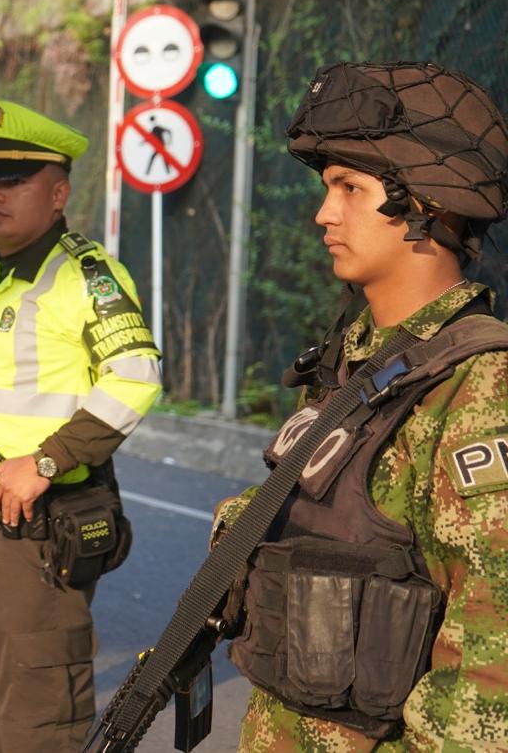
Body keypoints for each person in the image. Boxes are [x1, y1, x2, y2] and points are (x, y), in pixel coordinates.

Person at [213, 61, 508, 751]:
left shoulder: (478, 391)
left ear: (426, 202)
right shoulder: (358, 358)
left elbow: (488, 686)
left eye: (350, 187)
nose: (324, 212)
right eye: (326, 188)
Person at [0, 99, 163, 752]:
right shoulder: (4, 275)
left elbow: (137, 374)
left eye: (13, 182)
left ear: (60, 191)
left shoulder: (81, 273)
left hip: (40, 529)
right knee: (0, 709)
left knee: (41, 724)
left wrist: (45, 462)